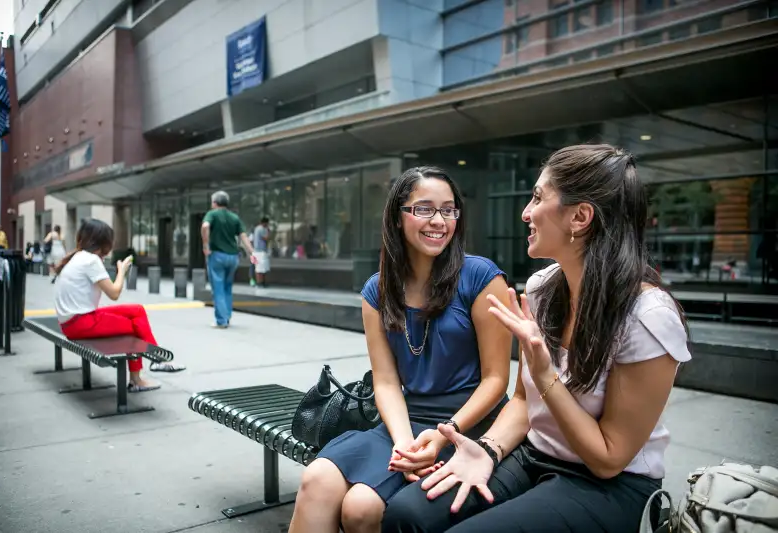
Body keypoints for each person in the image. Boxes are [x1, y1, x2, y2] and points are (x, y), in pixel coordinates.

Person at [381, 144, 692, 533]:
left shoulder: (649, 317)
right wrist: (488, 451)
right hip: (533, 455)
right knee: (404, 515)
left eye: (538, 198)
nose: (526, 213)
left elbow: (608, 458)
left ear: (580, 217)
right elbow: (523, 401)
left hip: (609, 485)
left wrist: (546, 374)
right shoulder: (543, 288)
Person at [288, 167, 513, 533]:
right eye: (424, 209)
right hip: (403, 424)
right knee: (317, 479)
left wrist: (442, 436)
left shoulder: (482, 277)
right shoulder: (377, 290)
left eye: (448, 210)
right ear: (398, 217)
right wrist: (405, 445)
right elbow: (387, 382)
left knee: (361, 508)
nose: (438, 221)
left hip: (468, 425)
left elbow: (497, 379)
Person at [54, 218, 185, 391]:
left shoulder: (77, 257)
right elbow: (114, 293)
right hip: (81, 323)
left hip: (72, 322)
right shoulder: (91, 261)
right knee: (133, 328)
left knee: (137, 310)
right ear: (103, 241)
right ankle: (138, 380)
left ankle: (156, 358)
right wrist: (121, 271)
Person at [201, 191, 257, 328]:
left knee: (218, 288)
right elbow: (243, 236)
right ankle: (227, 316)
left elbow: (205, 226)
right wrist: (252, 252)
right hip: (233, 257)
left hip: (217, 256)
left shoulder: (212, 214)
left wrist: (205, 245)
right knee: (227, 287)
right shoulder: (234, 217)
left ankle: (221, 320)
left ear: (214, 203)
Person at [252, 217, 271, 287]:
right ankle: (260, 282)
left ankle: (260, 282)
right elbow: (266, 238)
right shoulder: (261, 229)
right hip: (260, 252)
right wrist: (269, 232)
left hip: (256, 251)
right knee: (261, 268)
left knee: (259, 267)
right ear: (265, 223)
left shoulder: (257, 228)